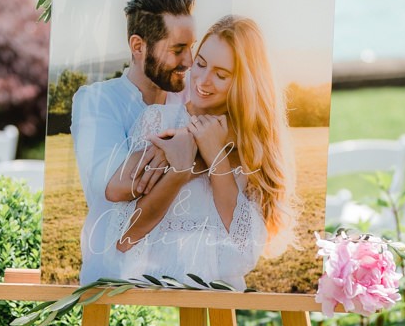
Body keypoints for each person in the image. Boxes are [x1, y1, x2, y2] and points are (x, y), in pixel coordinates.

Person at [109, 16, 292, 289]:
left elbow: (244, 252)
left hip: (219, 302)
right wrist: (183, 165)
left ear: (246, 83)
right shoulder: (158, 122)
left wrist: (216, 154)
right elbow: (123, 236)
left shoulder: (252, 147)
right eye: (201, 63)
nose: (203, 81)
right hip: (150, 298)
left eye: (221, 75)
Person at [71, 0, 196, 282]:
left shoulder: (194, 94)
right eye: (178, 49)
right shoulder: (96, 100)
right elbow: (114, 184)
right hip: (113, 273)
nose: (189, 61)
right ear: (138, 47)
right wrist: (183, 148)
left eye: (191, 48)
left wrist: (187, 145)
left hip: (187, 271)